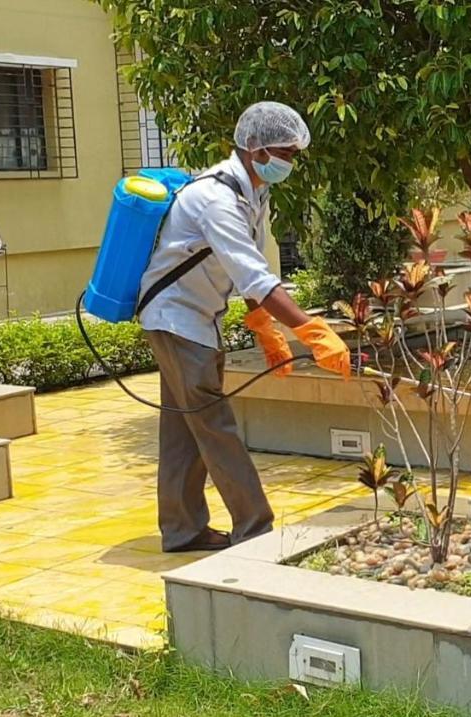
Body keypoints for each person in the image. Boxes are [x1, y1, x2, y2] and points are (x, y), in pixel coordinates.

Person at [138, 102, 349, 553]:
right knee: (215, 427)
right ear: (254, 149)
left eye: (294, 154)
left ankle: (183, 530)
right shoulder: (215, 199)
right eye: (284, 153)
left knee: (182, 431)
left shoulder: (250, 191)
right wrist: (310, 330)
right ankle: (255, 530)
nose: (289, 162)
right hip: (176, 320)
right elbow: (254, 274)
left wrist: (264, 326)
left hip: (195, 319)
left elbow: (248, 265)